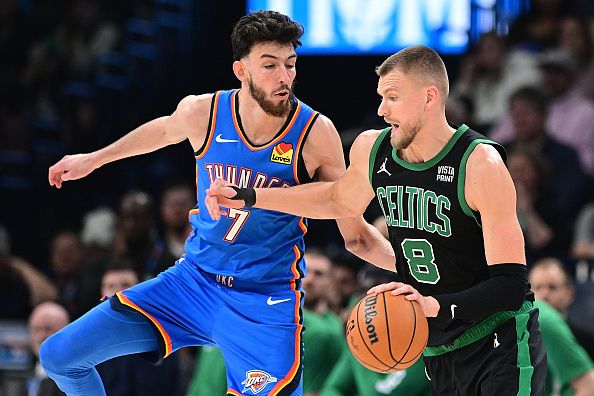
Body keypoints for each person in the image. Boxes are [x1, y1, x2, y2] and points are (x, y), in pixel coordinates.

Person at [42, 10, 394, 396]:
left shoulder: (315, 133)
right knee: (60, 356)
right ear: (240, 71)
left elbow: (352, 227)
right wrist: (92, 159)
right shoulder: (205, 112)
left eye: (290, 64)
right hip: (192, 282)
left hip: (263, 300)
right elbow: (160, 131)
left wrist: (419, 270)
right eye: (270, 65)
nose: (284, 77)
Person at [206, 45, 547, 395]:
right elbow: (336, 200)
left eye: (393, 97)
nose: (382, 110)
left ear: (429, 98)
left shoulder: (480, 164)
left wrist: (435, 304)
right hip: (438, 352)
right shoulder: (374, 148)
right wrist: (251, 197)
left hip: (499, 343)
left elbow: (511, 286)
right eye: (381, 97)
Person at [27, 302, 70, 396]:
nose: (41, 336)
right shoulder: (24, 370)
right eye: (36, 329)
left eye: (48, 329)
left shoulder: (75, 375)